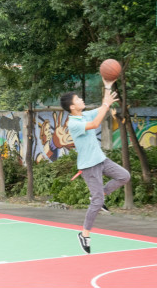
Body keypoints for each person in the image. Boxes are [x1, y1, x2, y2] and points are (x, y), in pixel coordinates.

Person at [60, 80, 130, 254]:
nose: (81, 100)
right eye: (78, 99)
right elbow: (95, 124)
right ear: (72, 106)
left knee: (124, 176)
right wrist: (106, 104)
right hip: (89, 166)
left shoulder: (84, 115)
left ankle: (102, 195)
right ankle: (85, 234)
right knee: (97, 202)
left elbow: (102, 109)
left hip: (101, 160)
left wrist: (107, 85)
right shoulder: (74, 123)